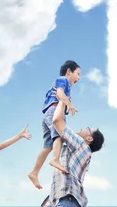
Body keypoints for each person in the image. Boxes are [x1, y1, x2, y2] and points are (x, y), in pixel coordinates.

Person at [28, 60, 81, 190]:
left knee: (47, 146)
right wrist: (68, 103)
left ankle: (34, 172)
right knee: (59, 136)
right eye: (78, 74)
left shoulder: (65, 85)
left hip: (47, 114)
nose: (78, 79)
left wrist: (67, 103)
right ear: (69, 71)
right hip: (54, 111)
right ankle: (55, 159)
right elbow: (59, 93)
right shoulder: (63, 80)